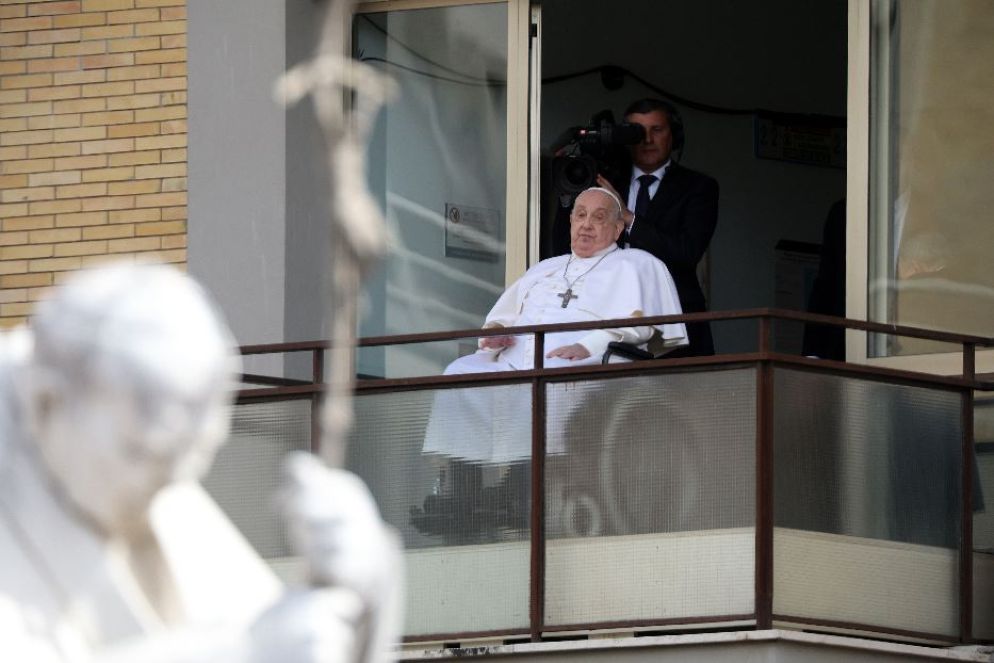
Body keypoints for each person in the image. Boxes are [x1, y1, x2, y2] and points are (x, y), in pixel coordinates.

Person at [0, 264, 400, 663]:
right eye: (143, 453)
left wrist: (357, 597)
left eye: (192, 455)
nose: (172, 482)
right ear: (47, 403)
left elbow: (260, 628)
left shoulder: (128, 459)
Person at [413, 188, 686, 542]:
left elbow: (640, 328)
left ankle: (522, 493)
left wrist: (588, 344)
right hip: (516, 361)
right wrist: (496, 337)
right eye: (580, 215)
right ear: (570, 221)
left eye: (599, 217)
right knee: (461, 375)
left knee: (547, 382)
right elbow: (501, 319)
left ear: (619, 228)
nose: (586, 225)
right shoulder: (546, 268)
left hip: (588, 365)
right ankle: (461, 492)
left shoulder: (638, 265)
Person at [596, 98, 720, 357]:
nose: (647, 139)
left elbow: (687, 253)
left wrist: (629, 218)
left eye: (657, 130)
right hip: (607, 314)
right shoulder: (606, 182)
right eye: (637, 131)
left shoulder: (699, 187)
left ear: (674, 136)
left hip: (674, 324)